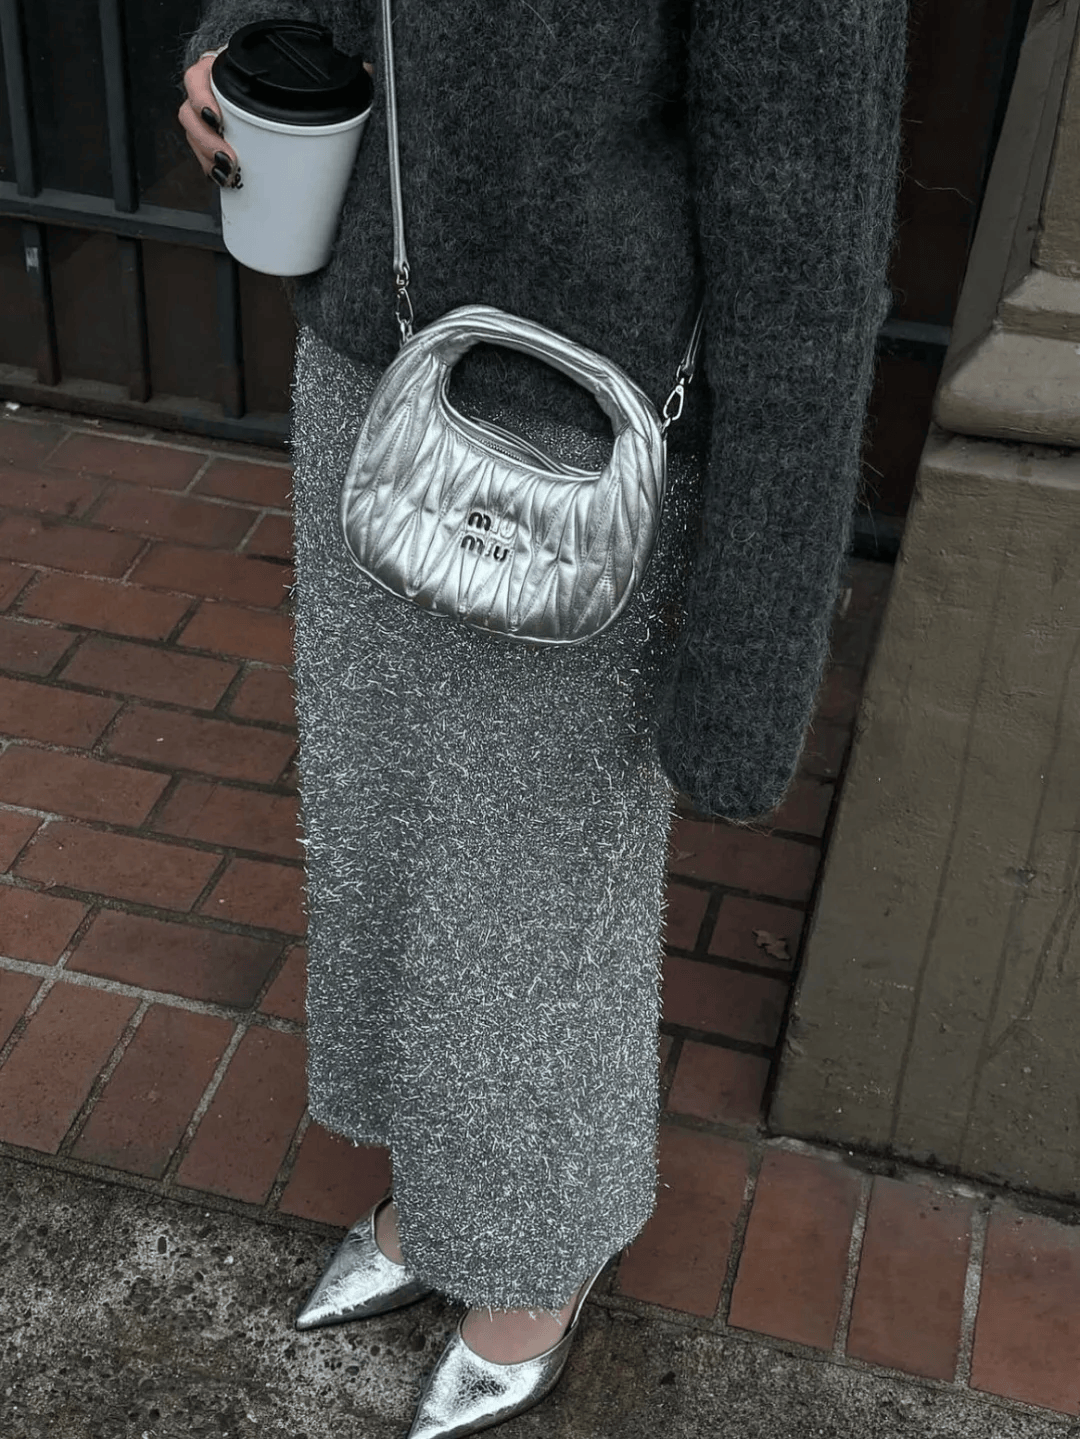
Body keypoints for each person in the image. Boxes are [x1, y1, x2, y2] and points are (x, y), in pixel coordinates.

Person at [180, 3, 907, 1434]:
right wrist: (238, 45)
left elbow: (807, 251)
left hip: (587, 431)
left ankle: (532, 1251)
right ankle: (442, 1189)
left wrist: (753, 650)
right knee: (381, 816)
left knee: (535, 887)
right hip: (374, 356)